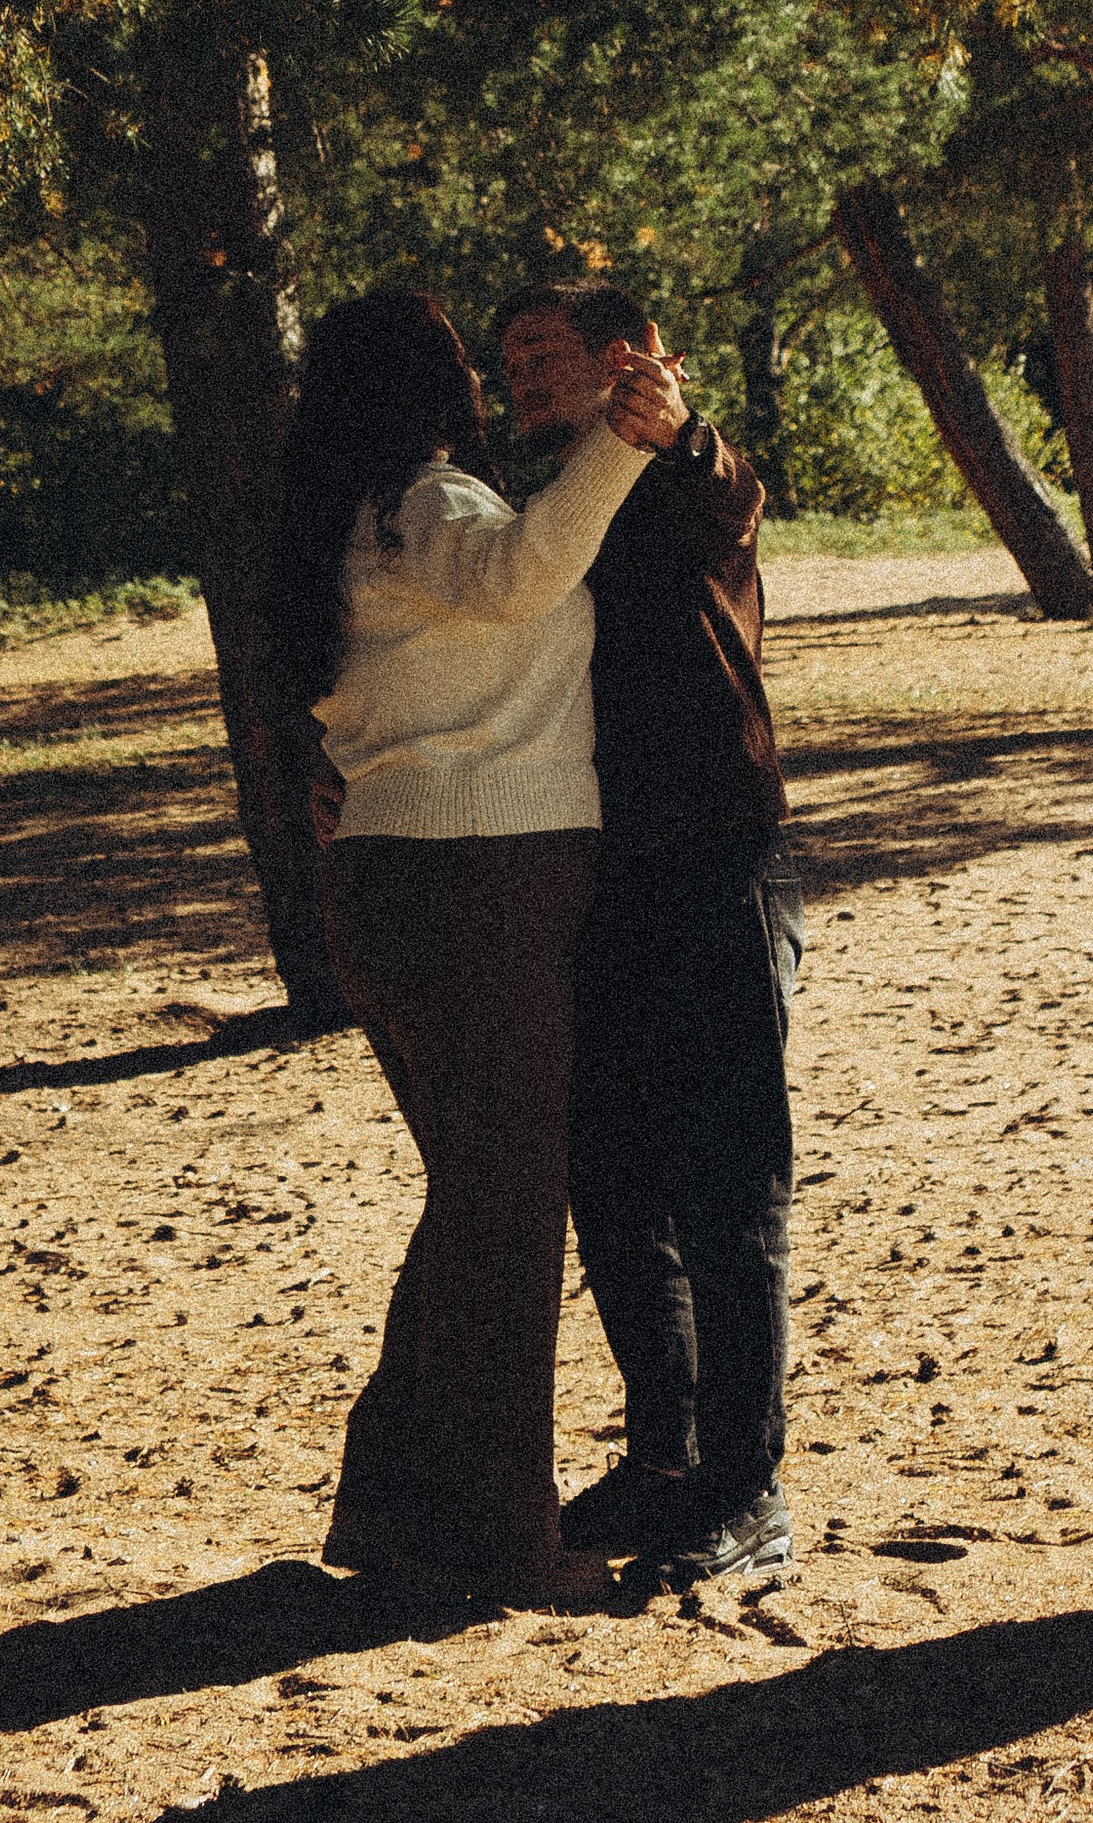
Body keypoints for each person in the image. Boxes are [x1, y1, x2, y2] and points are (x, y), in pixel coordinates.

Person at [272, 284, 685, 1605]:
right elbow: (523, 575)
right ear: (427, 386)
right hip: (480, 886)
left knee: (472, 1215)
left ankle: (397, 1510)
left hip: (392, 884)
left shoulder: (338, 524)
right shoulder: (436, 502)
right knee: (505, 1225)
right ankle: (499, 1543)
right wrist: (622, 441)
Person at [493, 281, 802, 1585]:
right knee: (613, 1181)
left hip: (717, 861)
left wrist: (676, 429)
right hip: (592, 875)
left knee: (729, 1194)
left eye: (541, 355)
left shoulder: (680, 470)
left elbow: (729, 494)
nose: (517, 377)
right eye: (504, 359)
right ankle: (663, 1457)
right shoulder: (528, 503)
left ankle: (749, 1490)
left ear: (629, 358)